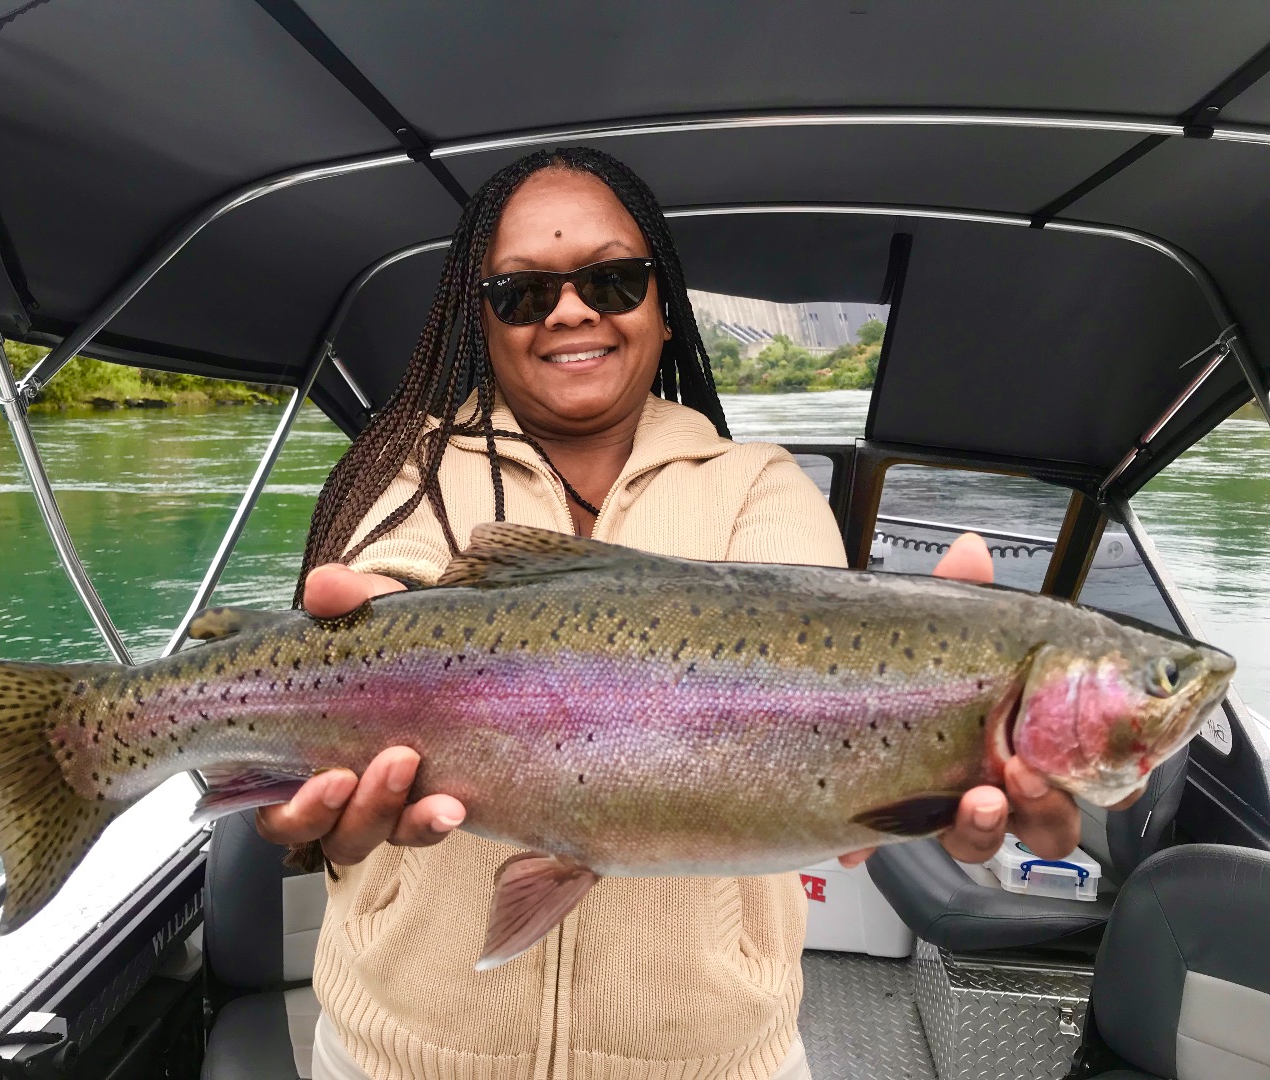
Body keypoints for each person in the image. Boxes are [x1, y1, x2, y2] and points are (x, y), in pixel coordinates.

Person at [258, 147, 1086, 1080]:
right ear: (477, 318)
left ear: (661, 298)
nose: (571, 310)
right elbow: (382, 602)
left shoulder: (761, 486)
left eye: (611, 279)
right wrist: (317, 759)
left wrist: (925, 713)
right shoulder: (405, 479)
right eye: (523, 294)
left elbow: (797, 650)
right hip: (395, 1057)